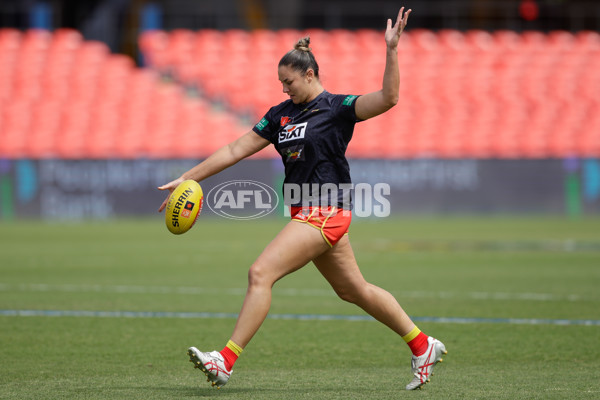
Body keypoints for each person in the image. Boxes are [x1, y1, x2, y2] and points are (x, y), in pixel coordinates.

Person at [158, 7, 446, 391]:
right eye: (280, 83)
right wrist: (187, 177)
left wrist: (391, 50)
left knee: (260, 273)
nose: (284, 89)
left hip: (326, 210)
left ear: (309, 74)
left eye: (288, 81)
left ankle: (224, 361)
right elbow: (234, 149)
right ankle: (421, 344)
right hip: (305, 210)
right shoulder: (280, 115)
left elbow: (389, 98)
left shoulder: (337, 108)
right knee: (353, 290)